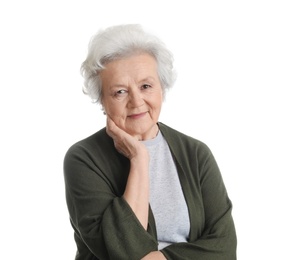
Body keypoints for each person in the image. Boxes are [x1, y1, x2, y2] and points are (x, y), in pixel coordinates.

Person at [64, 24, 237, 260]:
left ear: (161, 90)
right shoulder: (83, 159)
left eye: (146, 86)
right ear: (102, 100)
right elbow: (122, 252)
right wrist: (139, 158)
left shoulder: (196, 153)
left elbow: (224, 248)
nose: (136, 101)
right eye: (120, 92)